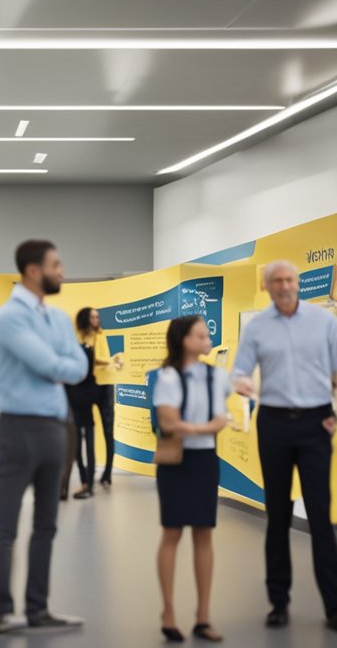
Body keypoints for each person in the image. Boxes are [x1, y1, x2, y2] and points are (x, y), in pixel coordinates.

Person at [0, 240, 89, 634]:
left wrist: (61, 364)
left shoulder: (60, 318)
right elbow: (49, 364)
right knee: (6, 525)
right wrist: (61, 363)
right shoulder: (8, 318)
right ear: (33, 270)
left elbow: (78, 367)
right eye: (56, 264)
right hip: (20, 428)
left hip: (55, 427)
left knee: (47, 523)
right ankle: (0, 611)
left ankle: (38, 609)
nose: (62, 271)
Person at [231, 260, 337, 631]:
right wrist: (243, 384)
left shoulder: (324, 322)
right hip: (273, 423)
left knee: (321, 516)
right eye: (277, 280)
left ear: (298, 283)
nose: (285, 285)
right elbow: (239, 371)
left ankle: (333, 606)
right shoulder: (258, 327)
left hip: (315, 422)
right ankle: (278, 602)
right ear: (267, 286)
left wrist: (335, 413)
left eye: (290, 279)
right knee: (276, 513)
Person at [154, 315, 230, 643]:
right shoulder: (168, 376)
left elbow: (223, 415)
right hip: (176, 461)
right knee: (172, 533)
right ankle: (168, 612)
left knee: (204, 534)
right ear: (185, 339)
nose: (207, 337)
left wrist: (201, 426)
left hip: (204, 461)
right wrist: (207, 427)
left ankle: (203, 616)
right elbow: (169, 423)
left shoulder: (217, 375)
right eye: (201, 333)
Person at [64, 308, 103, 501]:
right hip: (76, 401)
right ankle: (86, 483)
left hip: (81, 400)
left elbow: (82, 375)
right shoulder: (78, 349)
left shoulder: (83, 349)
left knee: (84, 445)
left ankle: (88, 484)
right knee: (79, 446)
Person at [83, 308, 119, 488]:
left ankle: (108, 473)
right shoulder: (82, 337)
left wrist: (105, 361)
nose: (96, 319)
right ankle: (89, 475)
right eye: (92, 317)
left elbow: (98, 358)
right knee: (89, 430)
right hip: (89, 385)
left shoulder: (101, 335)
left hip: (105, 385)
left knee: (108, 429)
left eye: (97, 317)